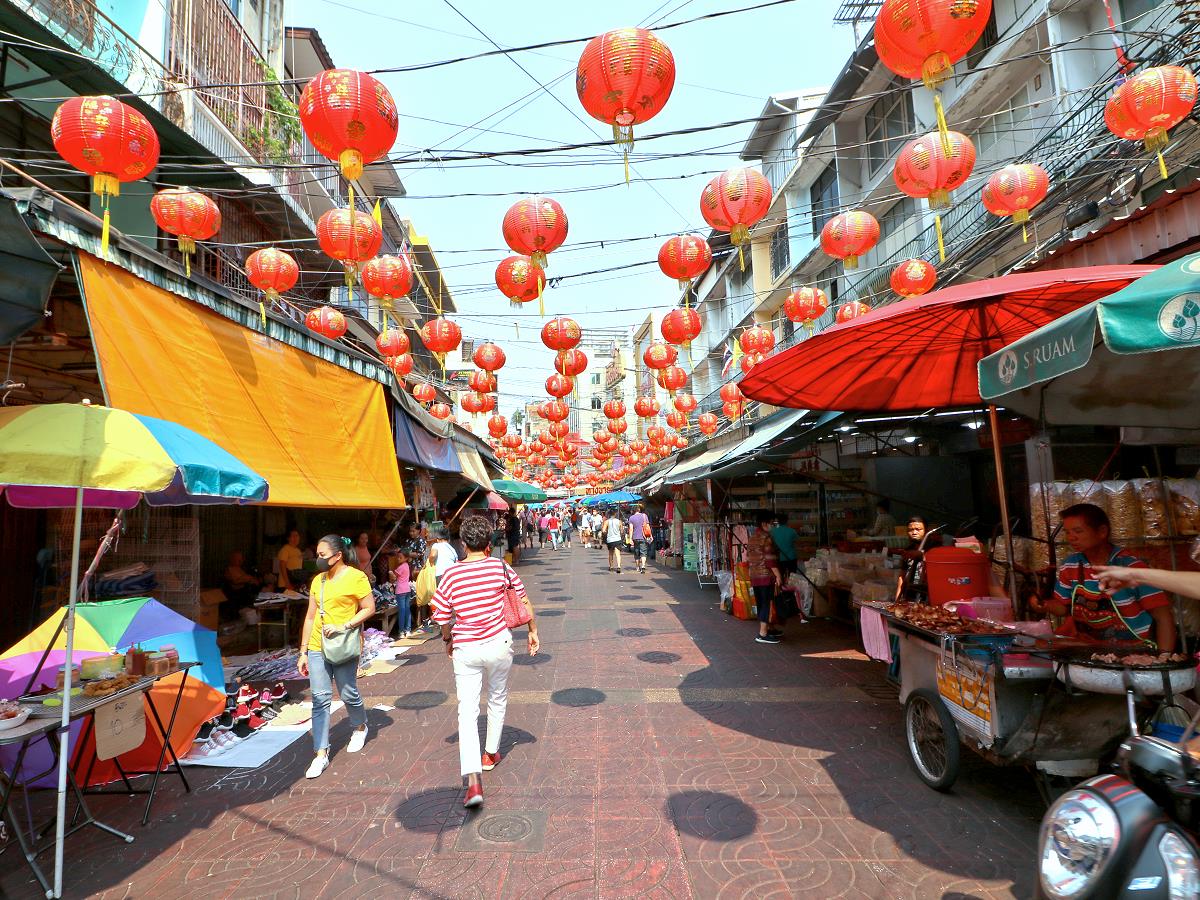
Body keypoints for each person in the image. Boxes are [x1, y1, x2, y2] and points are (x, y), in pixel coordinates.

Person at [431, 515, 539, 809]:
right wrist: (532, 632)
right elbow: (523, 601)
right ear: (489, 543)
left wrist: (447, 639)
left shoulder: (452, 574)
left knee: (466, 711)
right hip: (499, 643)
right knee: (497, 697)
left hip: (466, 648)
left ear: (463, 544)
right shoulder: (500, 567)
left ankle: (473, 780)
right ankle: (491, 753)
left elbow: (441, 616)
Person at [1032, 503, 1176, 650]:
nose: (1071, 538)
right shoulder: (1070, 566)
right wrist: (1045, 605)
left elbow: (1163, 617)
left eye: (1078, 531)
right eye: (1067, 532)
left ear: (1102, 532)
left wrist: (1165, 656)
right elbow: (1064, 608)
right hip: (1092, 649)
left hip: (1135, 653)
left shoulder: (1131, 567)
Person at [297, 534, 374, 779]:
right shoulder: (317, 581)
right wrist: (303, 651)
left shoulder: (356, 577)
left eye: (321, 555)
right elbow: (310, 617)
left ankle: (360, 725)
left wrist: (346, 625)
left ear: (338, 555)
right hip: (318, 646)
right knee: (320, 699)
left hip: (343, 644)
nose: (317, 560)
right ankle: (321, 753)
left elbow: (369, 608)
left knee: (348, 691)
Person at [747, 511, 783, 644]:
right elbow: (770, 560)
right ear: (764, 524)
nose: (773, 526)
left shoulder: (752, 537)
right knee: (766, 603)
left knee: (761, 602)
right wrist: (778, 575)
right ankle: (762, 633)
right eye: (772, 523)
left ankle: (768, 629)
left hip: (754, 575)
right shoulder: (766, 538)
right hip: (765, 576)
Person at [895, 516, 931, 602]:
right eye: (911, 530)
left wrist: (920, 555)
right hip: (910, 594)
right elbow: (902, 576)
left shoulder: (932, 548)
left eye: (918, 529)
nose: (914, 532)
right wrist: (897, 600)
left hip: (927, 596)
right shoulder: (908, 549)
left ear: (926, 530)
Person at [770, 516, 801, 582]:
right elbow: (797, 543)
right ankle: (791, 590)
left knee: (780, 577)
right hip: (791, 558)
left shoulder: (772, 531)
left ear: (778, 522)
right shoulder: (791, 531)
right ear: (786, 521)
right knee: (793, 577)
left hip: (779, 558)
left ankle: (781, 590)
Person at [392, 549, 413, 638]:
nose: (398, 559)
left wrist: (390, 572)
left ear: (406, 558)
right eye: (398, 557)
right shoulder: (407, 565)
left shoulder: (400, 567)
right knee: (407, 610)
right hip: (407, 590)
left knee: (402, 611)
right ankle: (408, 630)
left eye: (400, 557)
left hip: (400, 591)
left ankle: (401, 631)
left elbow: (393, 577)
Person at [627, 504, 651, 575]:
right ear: (639, 509)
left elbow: (631, 529)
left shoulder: (631, 518)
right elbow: (648, 526)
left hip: (635, 537)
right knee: (643, 552)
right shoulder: (644, 516)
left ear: (633, 511)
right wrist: (649, 535)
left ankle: (637, 567)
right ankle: (643, 566)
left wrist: (630, 538)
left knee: (636, 552)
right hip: (643, 537)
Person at [602, 508, 625, 573]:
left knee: (611, 553)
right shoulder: (619, 521)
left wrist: (607, 531)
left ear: (609, 514)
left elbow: (603, 531)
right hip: (617, 539)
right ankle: (618, 567)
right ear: (615, 514)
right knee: (618, 554)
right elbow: (622, 531)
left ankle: (611, 566)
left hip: (610, 539)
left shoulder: (606, 522)